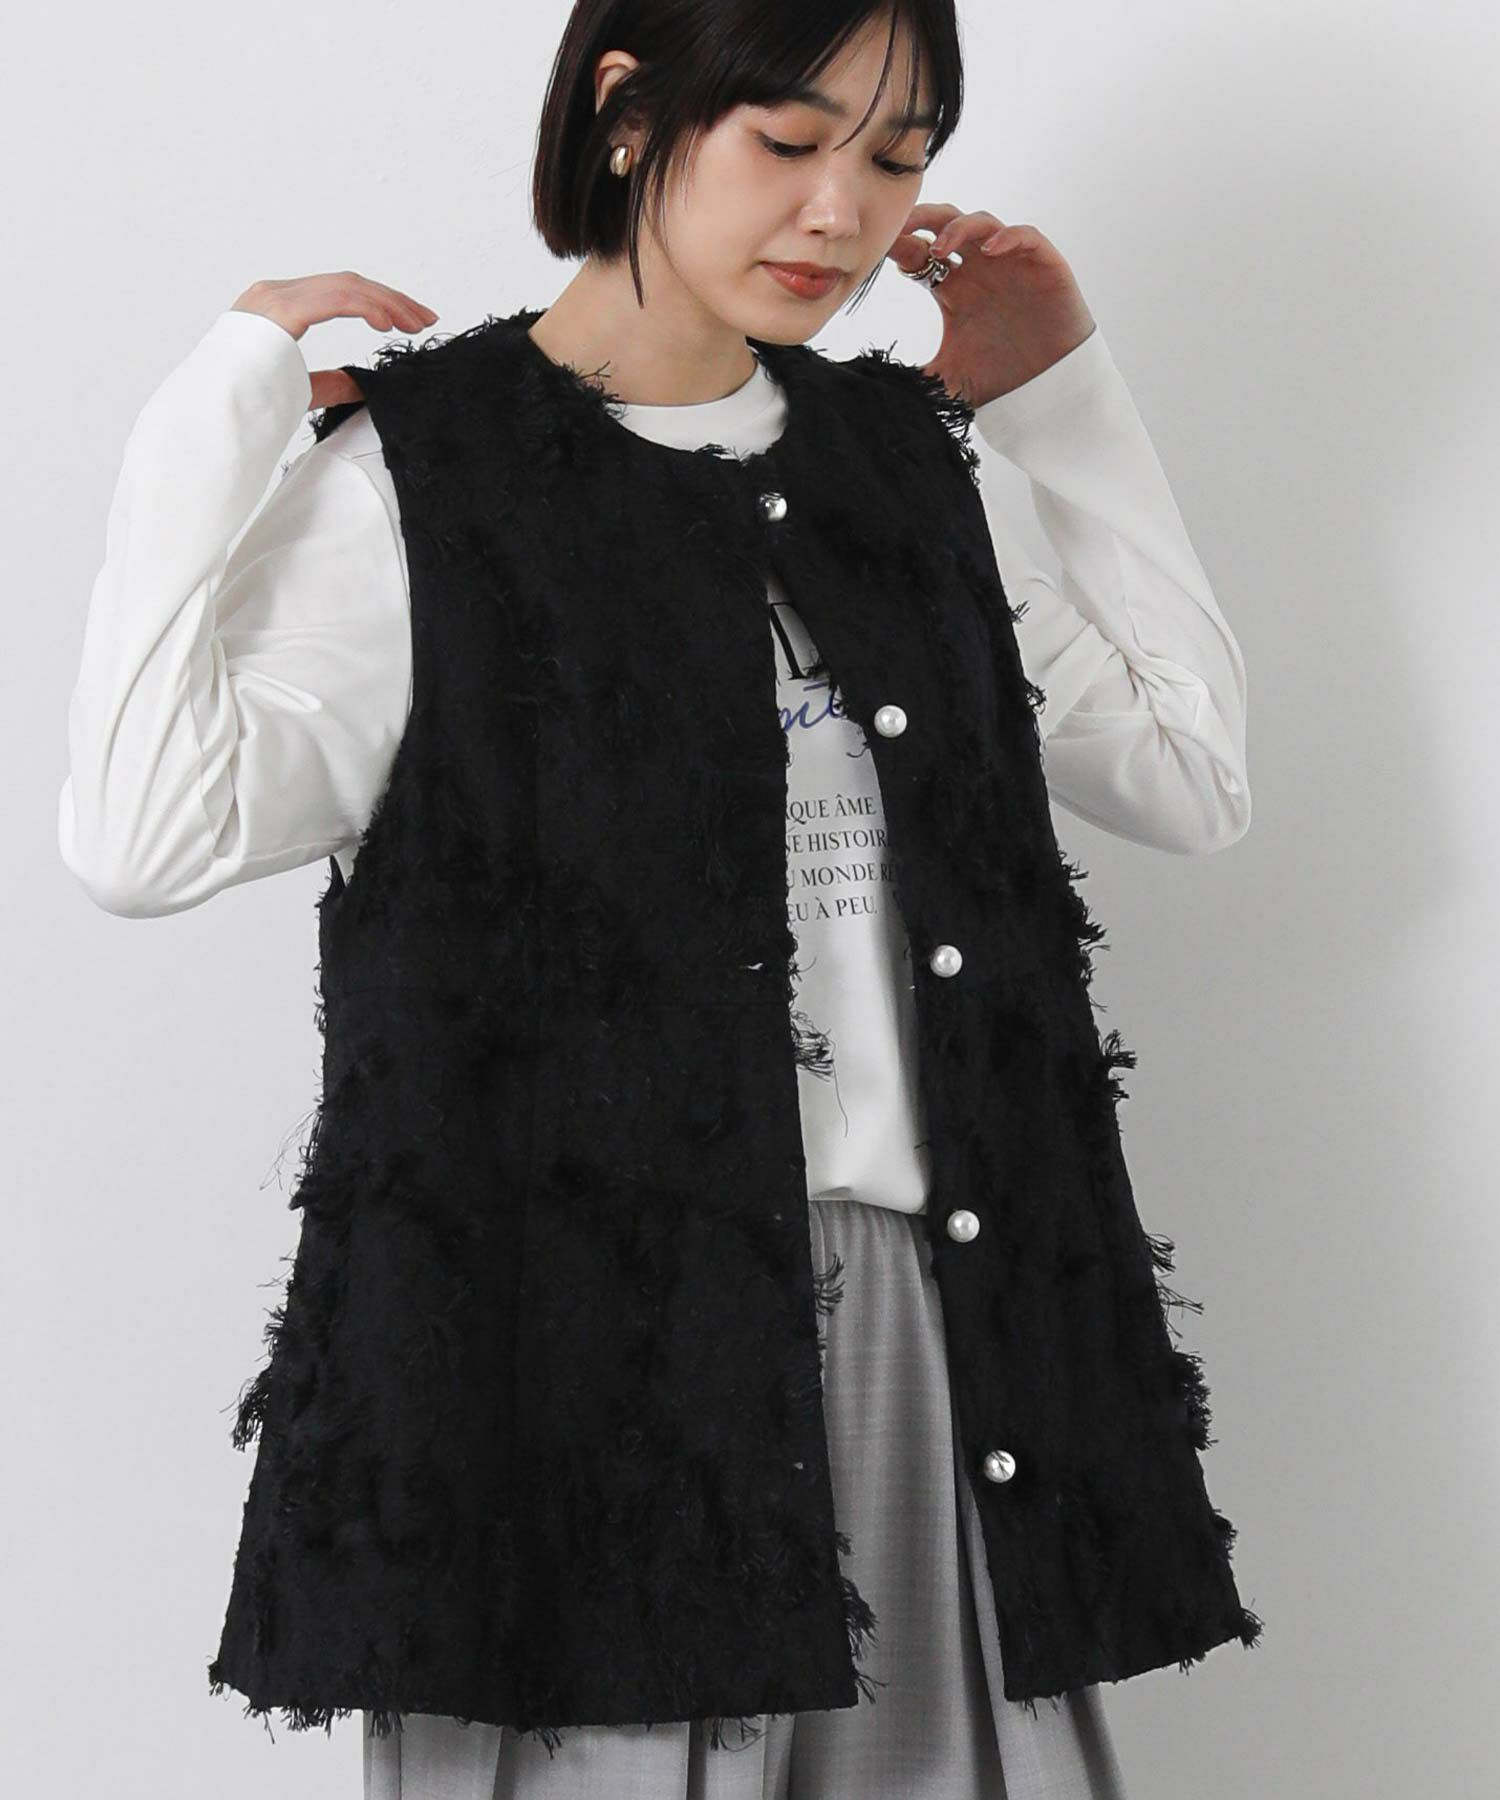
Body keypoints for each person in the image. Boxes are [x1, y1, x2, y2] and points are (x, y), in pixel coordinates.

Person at [59, 3, 1256, 1795]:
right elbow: (140, 836)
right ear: (629, 110)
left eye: (899, 156)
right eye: (789, 140)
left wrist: (1062, 399)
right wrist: (214, 416)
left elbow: (1190, 769)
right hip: (557, 1374)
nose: (843, 211)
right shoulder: (422, 476)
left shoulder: (909, 471)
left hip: (926, 1345)